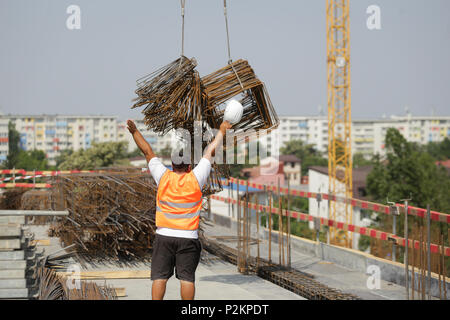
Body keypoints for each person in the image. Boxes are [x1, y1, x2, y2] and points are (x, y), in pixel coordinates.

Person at [127, 119, 232, 300]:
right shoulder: (196, 178)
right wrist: (222, 130)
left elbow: (147, 151)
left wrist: (134, 131)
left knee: (160, 277)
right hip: (188, 238)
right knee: (187, 279)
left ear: (172, 165)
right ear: (189, 167)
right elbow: (210, 151)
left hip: (164, 236)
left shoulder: (163, 176)